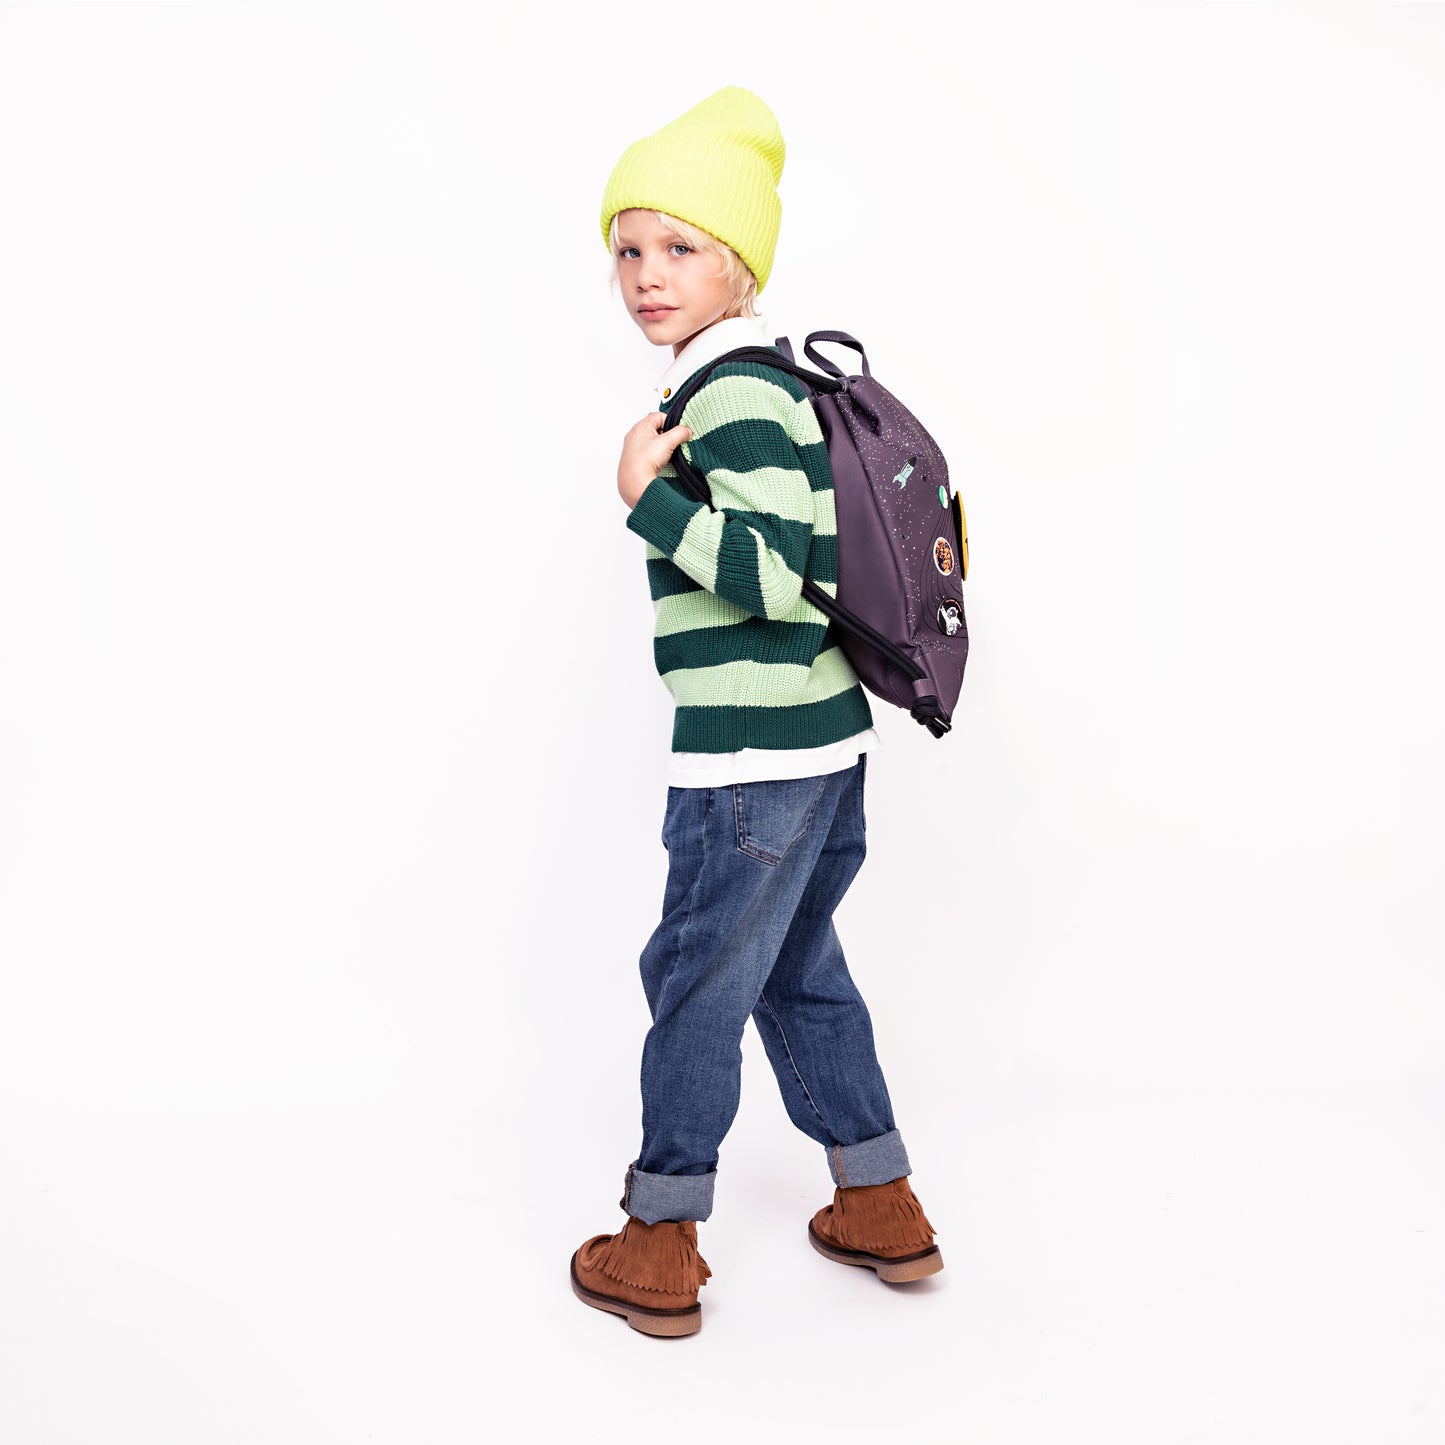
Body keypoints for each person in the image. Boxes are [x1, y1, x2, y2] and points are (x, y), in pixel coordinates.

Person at [569, 86, 942, 1339]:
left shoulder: (728, 392)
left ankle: (656, 1240)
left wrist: (647, 497)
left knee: (693, 982)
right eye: (628, 247)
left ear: (739, 265)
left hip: (749, 758)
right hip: (818, 744)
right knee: (793, 966)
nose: (645, 273)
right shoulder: (757, 381)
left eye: (680, 247)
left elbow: (774, 575)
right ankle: (878, 1200)